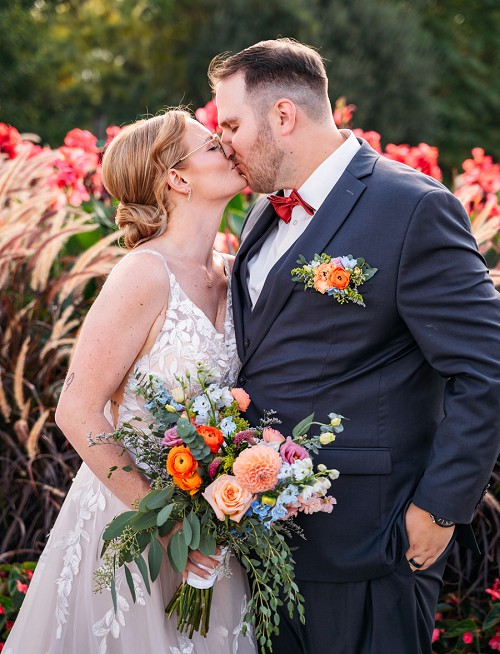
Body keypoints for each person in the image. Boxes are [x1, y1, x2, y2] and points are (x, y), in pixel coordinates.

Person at [208, 38, 500, 654]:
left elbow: (486, 367)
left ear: (283, 115)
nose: (223, 141)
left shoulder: (413, 208)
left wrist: (440, 508)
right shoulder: (263, 210)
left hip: (371, 537)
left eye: (231, 124)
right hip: (268, 536)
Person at [4, 110, 256, 654]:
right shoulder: (143, 274)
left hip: (214, 529)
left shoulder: (235, 271)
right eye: (213, 144)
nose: (230, 148)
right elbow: (77, 410)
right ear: (178, 178)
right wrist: (163, 526)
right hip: (135, 526)